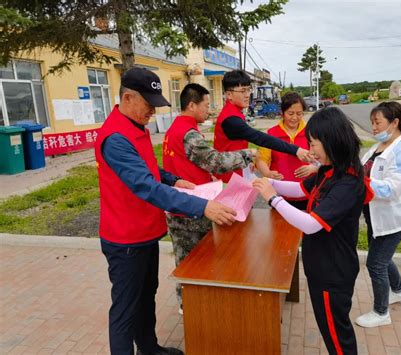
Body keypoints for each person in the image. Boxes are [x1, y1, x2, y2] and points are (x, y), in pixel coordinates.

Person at [95, 67, 236, 355]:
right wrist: (202, 206)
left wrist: (173, 178)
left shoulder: (135, 128)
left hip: (145, 233)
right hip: (125, 241)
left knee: (146, 297)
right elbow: (146, 186)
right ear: (128, 97)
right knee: (125, 309)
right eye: (149, 104)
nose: (153, 111)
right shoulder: (116, 138)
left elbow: (147, 168)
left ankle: (150, 348)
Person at [253, 107, 373, 355]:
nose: (311, 150)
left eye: (314, 143)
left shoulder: (348, 183)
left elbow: (311, 223)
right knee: (331, 330)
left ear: (332, 140)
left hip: (333, 273)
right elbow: (299, 189)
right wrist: (270, 182)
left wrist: (273, 198)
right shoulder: (329, 170)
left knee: (337, 336)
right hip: (322, 268)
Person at [162, 83, 256, 312]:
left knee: (186, 260)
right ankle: (193, 309)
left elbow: (191, 165)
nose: (209, 109)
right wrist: (245, 154)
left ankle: (190, 305)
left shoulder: (176, 128)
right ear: (192, 105)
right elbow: (213, 160)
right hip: (190, 210)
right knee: (194, 263)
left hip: (181, 205)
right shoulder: (188, 133)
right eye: (205, 105)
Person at [355, 101, 401, 328]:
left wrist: (359, 183)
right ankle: (399, 290)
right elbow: (362, 170)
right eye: (372, 122)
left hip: (394, 217)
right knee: (381, 256)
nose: (373, 127)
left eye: (377, 122)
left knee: (376, 263)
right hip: (375, 214)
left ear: (394, 123)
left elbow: (392, 188)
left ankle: (381, 312)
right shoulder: (379, 146)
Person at [213, 70, 312, 182]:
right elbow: (259, 138)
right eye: (243, 91)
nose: (247, 95)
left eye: (248, 90)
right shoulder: (230, 119)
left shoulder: (235, 113)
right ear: (229, 94)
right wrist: (296, 150)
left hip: (235, 173)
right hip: (228, 179)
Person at [256, 92, 318, 210]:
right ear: (282, 113)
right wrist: (268, 173)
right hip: (280, 196)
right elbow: (260, 160)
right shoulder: (271, 134)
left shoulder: (311, 132)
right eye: (290, 113)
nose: (295, 118)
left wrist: (313, 168)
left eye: (299, 114)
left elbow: (325, 160)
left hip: (308, 194)